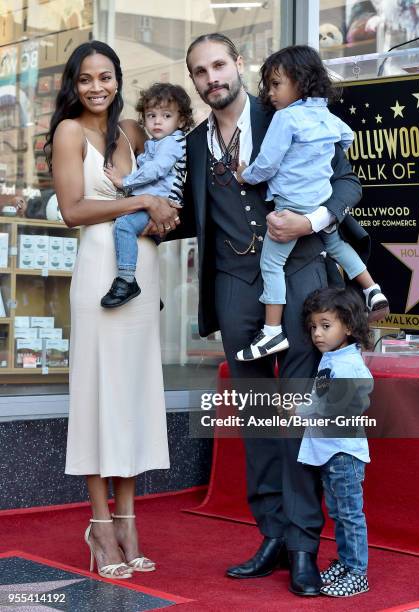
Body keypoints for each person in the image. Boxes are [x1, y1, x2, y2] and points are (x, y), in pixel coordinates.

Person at [166, 33, 369, 597]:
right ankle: (273, 535)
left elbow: (347, 182)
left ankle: (305, 545)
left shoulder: (289, 109)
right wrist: (134, 209)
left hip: (301, 276)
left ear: (239, 66)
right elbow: (191, 215)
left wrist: (311, 221)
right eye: (200, 71)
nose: (212, 78)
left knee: (303, 417)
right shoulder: (195, 142)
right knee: (259, 423)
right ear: (195, 80)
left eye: (219, 65)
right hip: (234, 287)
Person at [45, 40, 177, 579]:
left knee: (132, 398)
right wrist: (143, 202)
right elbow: (75, 210)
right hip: (100, 276)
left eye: (106, 77)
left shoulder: (135, 134)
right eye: (86, 79)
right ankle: (100, 526)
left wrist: (159, 217)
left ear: (119, 79)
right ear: (73, 85)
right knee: (100, 396)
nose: (97, 87)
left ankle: (128, 520)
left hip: (142, 277)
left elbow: (163, 204)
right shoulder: (69, 132)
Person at [235, 45, 388, 362]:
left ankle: (272, 331)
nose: (270, 93)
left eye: (276, 84)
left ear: (300, 81)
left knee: (271, 264)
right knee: (338, 246)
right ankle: (372, 290)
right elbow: (346, 137)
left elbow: (267, 165)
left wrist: (244, 176)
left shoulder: (285, 118)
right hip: (319, 202)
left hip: (292, 206)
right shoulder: (327, 118)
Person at [300, 286, 373, 597]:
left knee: (349, 514)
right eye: (314, 326)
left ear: (349, 326)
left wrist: (302, 409)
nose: (318, 334)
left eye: (326, 326)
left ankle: (358, 573)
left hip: (343, 453)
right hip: (332, 452)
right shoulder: (332, 358)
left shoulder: (347, 364)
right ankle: (346, 563)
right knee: (340, 513)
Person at [101, 82, 194, 308]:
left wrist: (124, 181)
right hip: (155, 203)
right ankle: (151, 288)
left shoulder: (172, 142)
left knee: (123, 226)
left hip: (161, 204)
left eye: (166, 115)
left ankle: (126, 280)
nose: (157, 121)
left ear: (181, 121)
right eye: (151, 115)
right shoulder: (157, 143)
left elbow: (156, 170)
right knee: (137, 242)